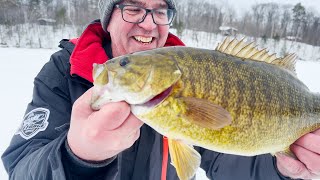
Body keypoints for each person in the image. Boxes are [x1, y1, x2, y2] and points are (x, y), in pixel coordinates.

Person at [2, 0, 320, 179]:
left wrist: (281, 168)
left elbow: (225, 163)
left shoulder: (190, 72)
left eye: (160, 11)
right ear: (109, 18)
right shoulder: (63, 73)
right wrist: (75, 156)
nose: (149, 23)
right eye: (132, 7)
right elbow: (19, 167)